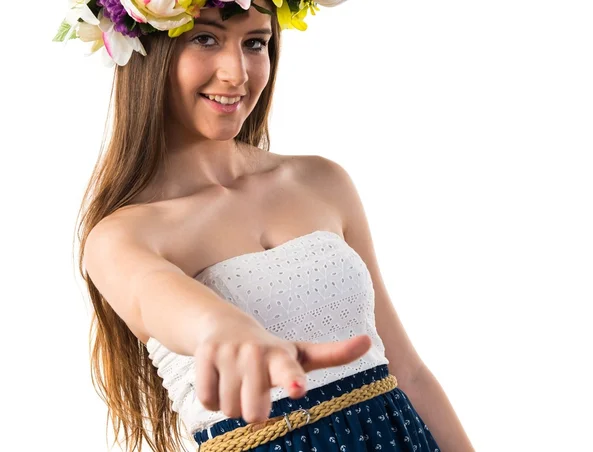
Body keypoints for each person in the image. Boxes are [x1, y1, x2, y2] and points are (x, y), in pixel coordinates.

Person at [58, 0, 474, 450]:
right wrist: (224, 330)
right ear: (147, 46)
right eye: (205, 38)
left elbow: (407, 370)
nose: (237, 73)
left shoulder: (322, 181)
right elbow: (155, 293)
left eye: (255, 43)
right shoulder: (120, 237)